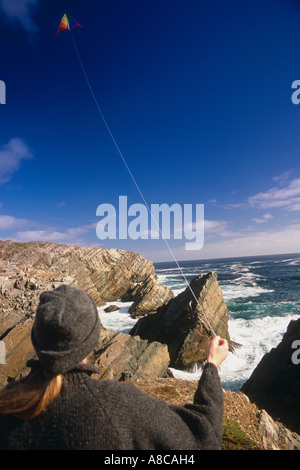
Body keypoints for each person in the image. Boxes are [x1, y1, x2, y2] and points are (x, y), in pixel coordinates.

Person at [0, 284, 229, 450]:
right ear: (92, 339)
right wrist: (211, 366)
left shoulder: (6, 404)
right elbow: (204, 438)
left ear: (36, 338)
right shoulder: (118, 405)